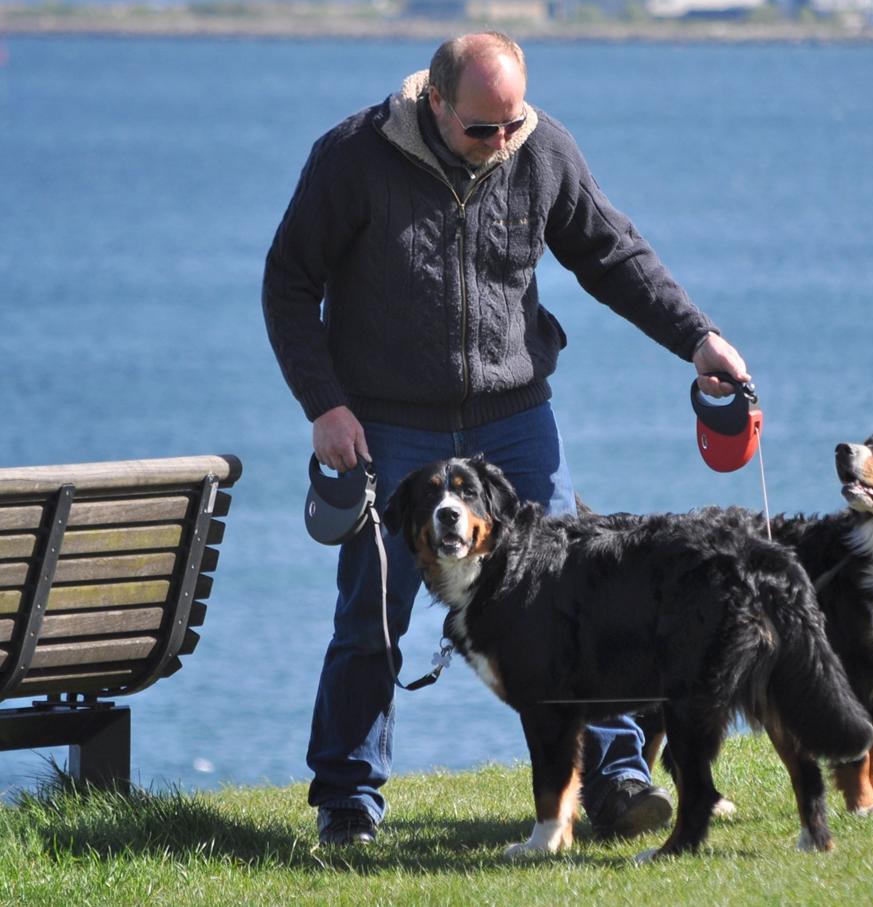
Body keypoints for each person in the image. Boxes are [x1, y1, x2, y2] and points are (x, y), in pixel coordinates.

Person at [262, 31, 751, 847]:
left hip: (514, 415)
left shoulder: (541, 147)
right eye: (479, 128)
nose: (498, 144)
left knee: (581, 591)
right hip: (387, 419)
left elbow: (611, 255)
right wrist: (325, 405)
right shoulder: (352, 158)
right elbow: (287, 285)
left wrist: (698, 339)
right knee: (372, 614)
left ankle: (617, 774)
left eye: (510, 125)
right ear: (436, 104)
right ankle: (348, 798)